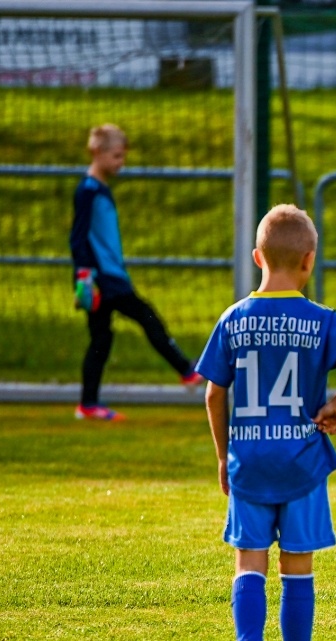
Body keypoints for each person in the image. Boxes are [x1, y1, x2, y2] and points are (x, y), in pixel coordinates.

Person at [196, 204, 336, 641]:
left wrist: (222, 454)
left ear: (258, 257)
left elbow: (214, 391)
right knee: (297, 566)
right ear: (308, 262)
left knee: (249, 562)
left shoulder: (234, 318)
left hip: (250, 459)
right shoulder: (320, 319)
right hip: (301, 460)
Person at [70, 123, 201, 421]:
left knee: (101, 339)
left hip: (108, 275)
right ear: (97, 153)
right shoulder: (88, 191)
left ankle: (88, 405)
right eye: (116, 156)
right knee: (145, 314)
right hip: (104, 279)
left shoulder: (99, 190)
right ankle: (185, 369)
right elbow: (78, 238)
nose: (121, 163)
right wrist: (84, 277)